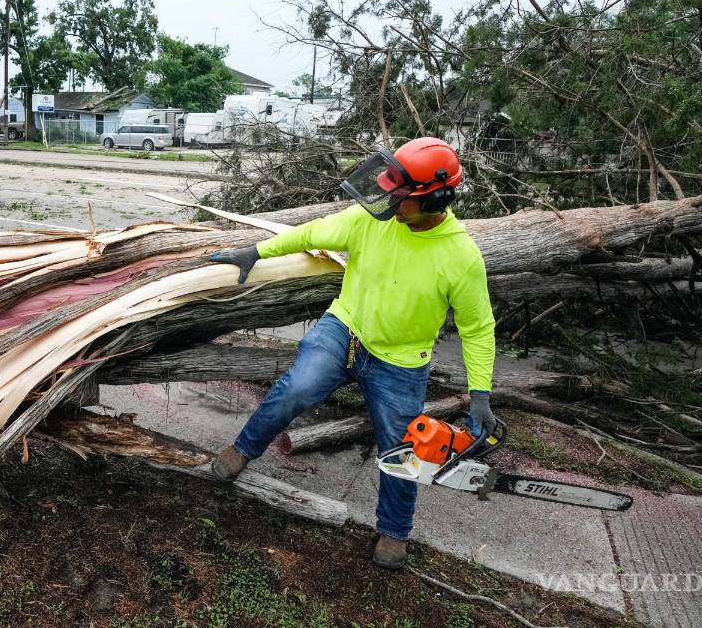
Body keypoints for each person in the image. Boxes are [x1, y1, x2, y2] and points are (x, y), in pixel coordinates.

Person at [208, 137, 496, 569]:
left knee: (401, 450)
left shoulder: (461, 256)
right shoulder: (373, 221)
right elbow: (313, 231)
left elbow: (477, 328)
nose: (390, 202)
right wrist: (255, 251)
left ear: (435, 198)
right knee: (296, 389)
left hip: (401, 359)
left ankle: (394, 532)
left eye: (401, 197)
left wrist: (480, 393)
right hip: (346, 327)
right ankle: (243, 449)